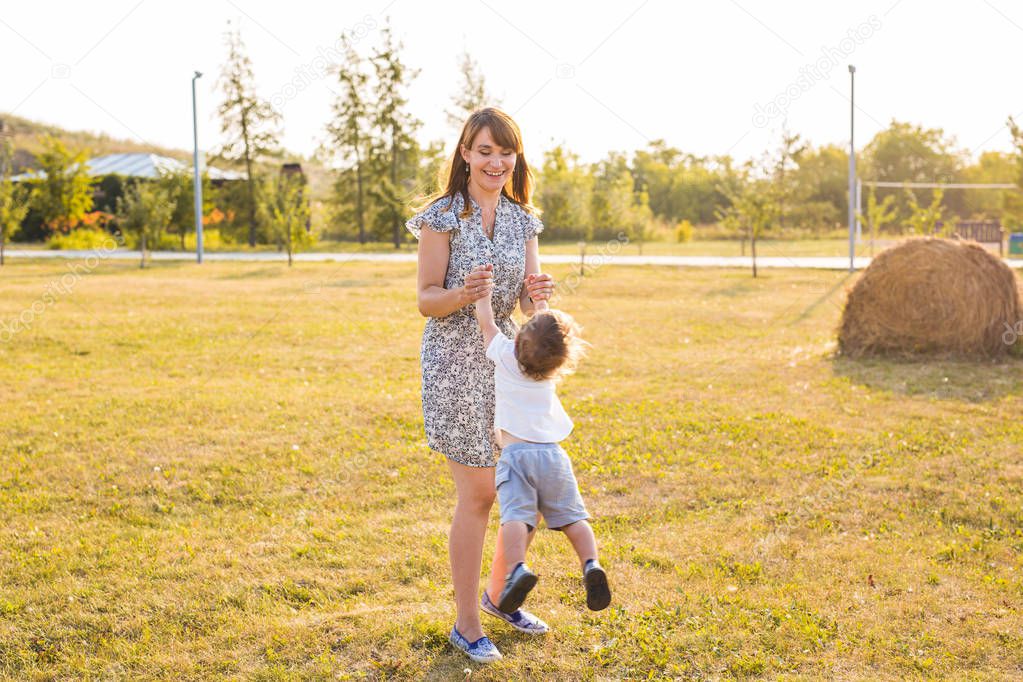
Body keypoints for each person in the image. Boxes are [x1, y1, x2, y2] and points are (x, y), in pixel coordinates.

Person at [405, 108, 556, 664]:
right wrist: (464, 294)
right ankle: (467, 625)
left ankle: (498, 597)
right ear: (465, 153)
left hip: (508, 365)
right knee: (480, 496)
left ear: (516, 158)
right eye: (485, 151)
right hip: (455, 367)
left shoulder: (522, 221)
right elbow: (425, 298)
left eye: (506, 152)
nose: (497, 162)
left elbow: (523, 300)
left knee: (528, 491)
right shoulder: (440, 217)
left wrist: (537, 296)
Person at [473, 265, 611, 622]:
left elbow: (487, 323)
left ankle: (517, 568)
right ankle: (590, 563)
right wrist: (540, 302)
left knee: (517, 517)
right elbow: (549, 333)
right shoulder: (549, 371)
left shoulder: (505, 355)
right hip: (553, 456)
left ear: (519, 339)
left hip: (516, 456)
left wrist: (483, 295)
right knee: (572, 517)